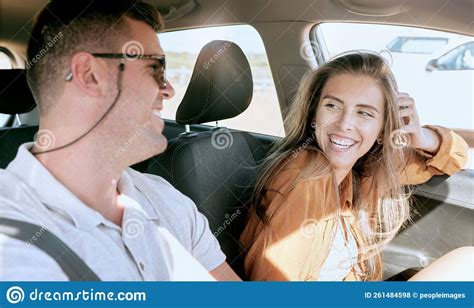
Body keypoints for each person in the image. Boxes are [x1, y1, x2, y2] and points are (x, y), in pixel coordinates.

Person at [0, 0, 240, 281]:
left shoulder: (165, 199)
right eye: (156, 69)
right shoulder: (13, 241)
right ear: (89, 75)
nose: (169, 90)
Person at [240, 52, 472, 281]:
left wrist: (420, 137)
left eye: (364, 113)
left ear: (382, 130)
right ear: (314, 115)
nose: (345, 124)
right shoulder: (305, 174)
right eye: (333, 106)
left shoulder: (365, 170)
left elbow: (456, 155)